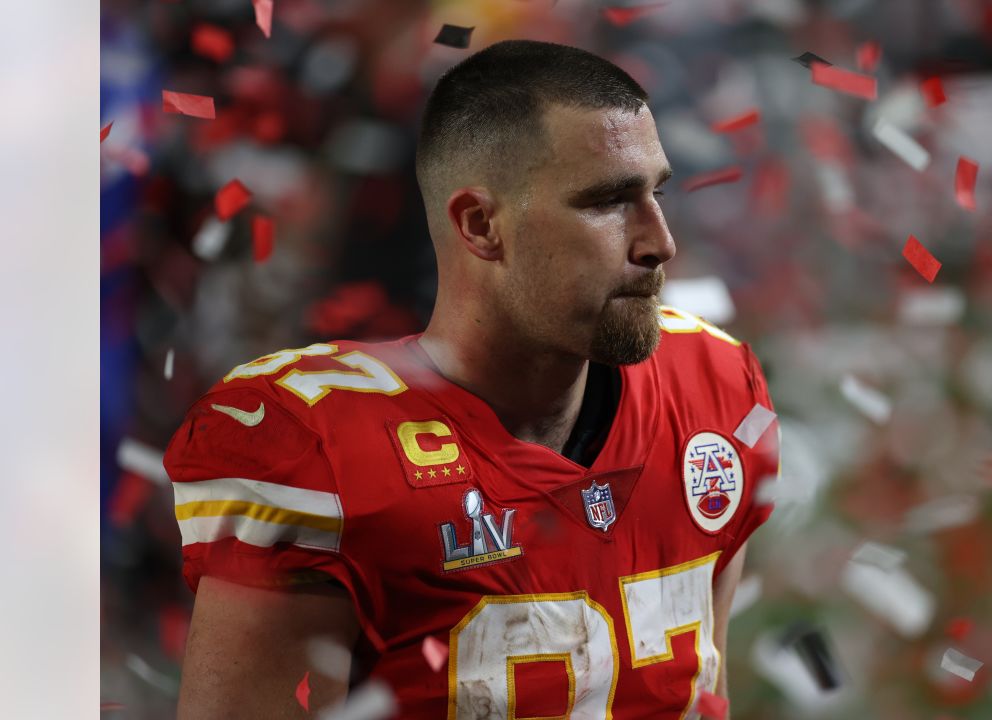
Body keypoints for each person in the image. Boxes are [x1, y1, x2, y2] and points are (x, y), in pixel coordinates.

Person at [165, 39, 780, 718]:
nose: (658, 241)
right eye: (607, 201)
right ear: (481, 225)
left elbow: (704, 697)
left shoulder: (713, 391)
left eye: (655, 193)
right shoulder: (317, 452)